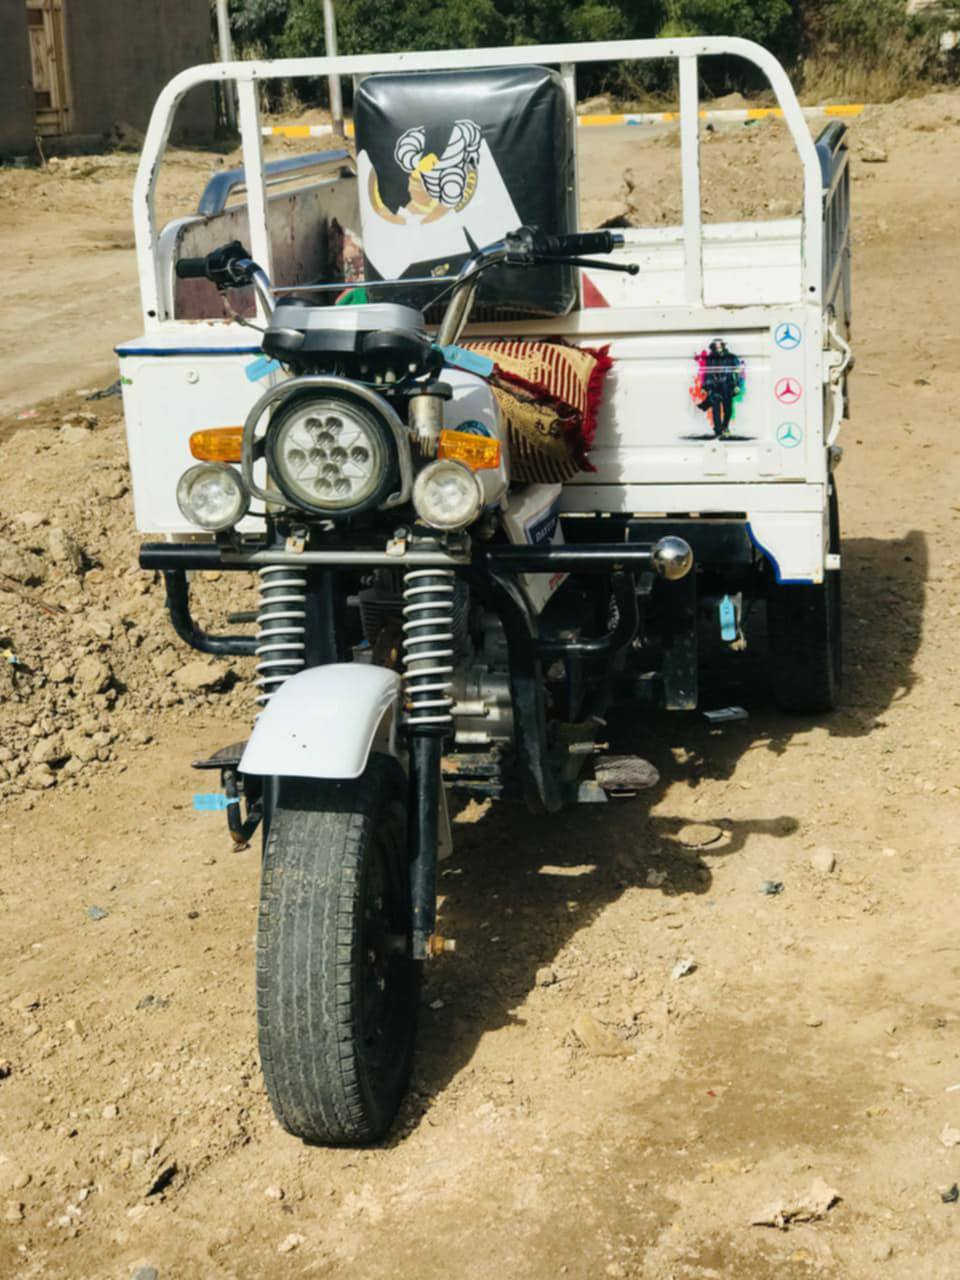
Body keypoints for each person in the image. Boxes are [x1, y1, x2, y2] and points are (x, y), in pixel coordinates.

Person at [697, 339, 743, 438]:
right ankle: (718, 430)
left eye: (719, 343)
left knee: (728, 409)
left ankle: (725, 426)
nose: (718, 346)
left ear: (723, 345)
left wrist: (737, 385)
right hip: (715, 387)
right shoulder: (710, 358)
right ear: (713, 345)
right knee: (716, 410)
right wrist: (704, 387)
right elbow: (707, 373)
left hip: (727, 386)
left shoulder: (731, 357)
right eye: (715, 344)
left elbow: (738, 372)